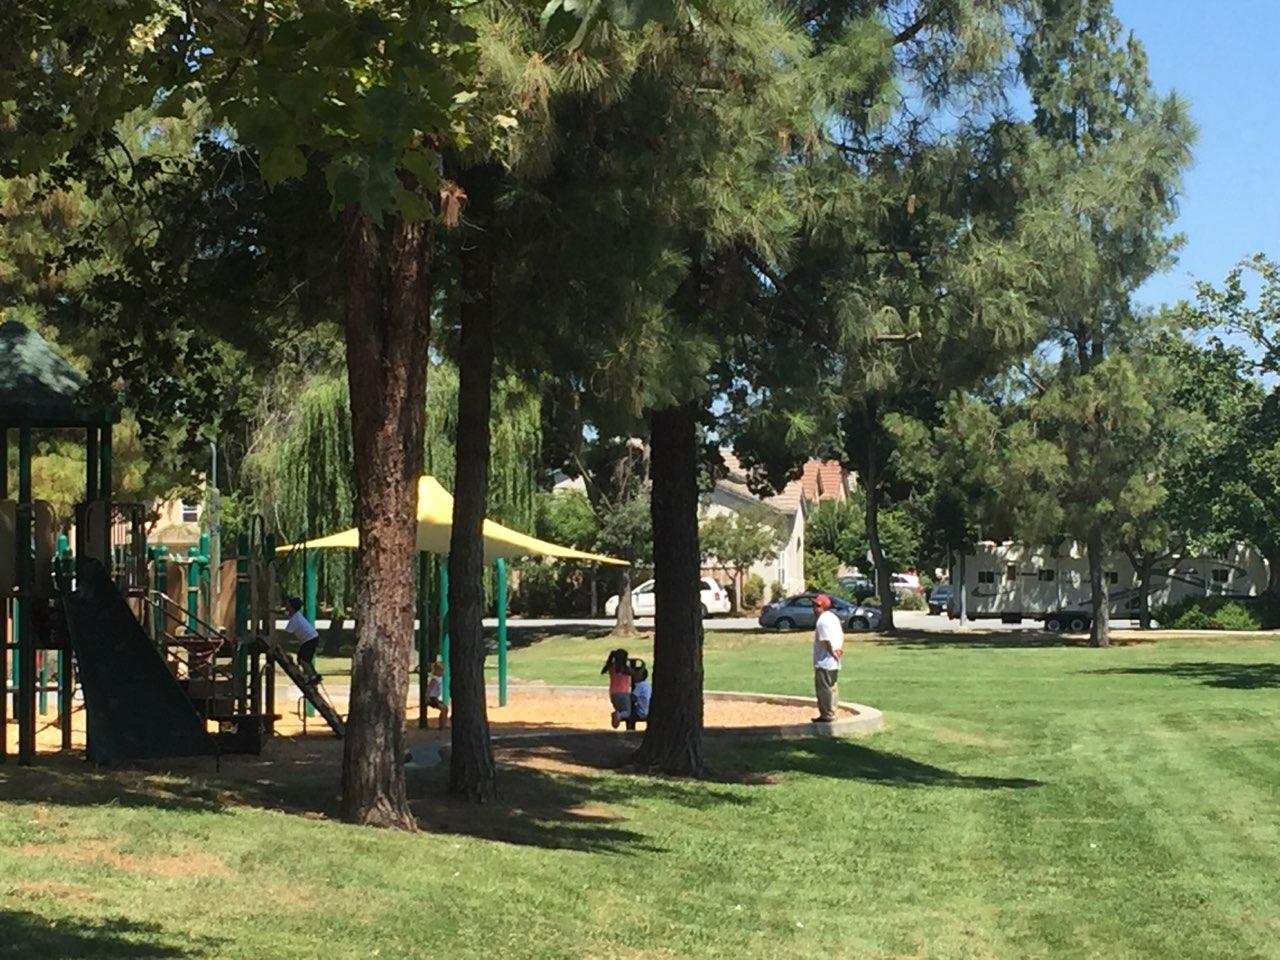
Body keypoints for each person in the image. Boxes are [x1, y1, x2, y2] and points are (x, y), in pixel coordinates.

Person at [811, 594, 844, 722]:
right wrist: (838, 651)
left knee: (824, 689)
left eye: (817, 606)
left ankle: (827, 714)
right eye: (814, 605)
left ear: (823, 606)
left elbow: (826, 640)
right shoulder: (833, 618)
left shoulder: (822, 621)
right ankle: (832, 711)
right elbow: (840, 635)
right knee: (832, 686)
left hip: (824, 661)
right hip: (834, 660)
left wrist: (832, 652)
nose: (814, 608)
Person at [282, 595, 321, 683]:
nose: (286, 606)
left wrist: (275, 644)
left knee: (303, 660)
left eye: (287, 605)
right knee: (302, 658)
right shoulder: (296, 614)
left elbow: (285, 634)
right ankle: (313, 674)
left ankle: (312, 678)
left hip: (310, 639)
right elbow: (284, 613)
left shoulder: (294, 620)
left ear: (291, 607)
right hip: (311, 638)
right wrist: (272, 612)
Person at [601, 648, 632, 729]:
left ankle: (618, 715)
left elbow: (604, 670)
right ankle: (619, 715)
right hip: (624, 693)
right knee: (627, 712)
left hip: (613, 694)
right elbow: (635, 674)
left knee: (620, 709)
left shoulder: (611, 667)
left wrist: (610, 659)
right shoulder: (626, 669)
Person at [628, 661, 652, 730]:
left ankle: (630, 726)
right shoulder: (647, 685)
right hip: (648, 711)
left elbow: (633, 698)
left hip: (642, 712)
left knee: (628, 709)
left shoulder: (640, 685)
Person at [427, 660, 448, 730]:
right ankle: (441, 726)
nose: (442, 672)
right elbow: (429, 689)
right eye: (441, 671)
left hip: (435, 698)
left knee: (445, 709)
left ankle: (442, 724)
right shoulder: (434, 679)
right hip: (432, 698)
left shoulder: (438, 679)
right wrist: (427, 697)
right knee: (444, 709)